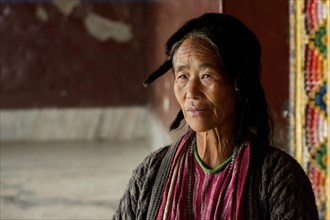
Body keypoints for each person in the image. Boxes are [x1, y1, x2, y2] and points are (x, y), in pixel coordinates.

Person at [112, 13, 318, 220]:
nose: (191, 92)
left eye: (206, 76)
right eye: (182, 76)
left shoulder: (279, 178)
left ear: (238, 85)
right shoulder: (152, 172)